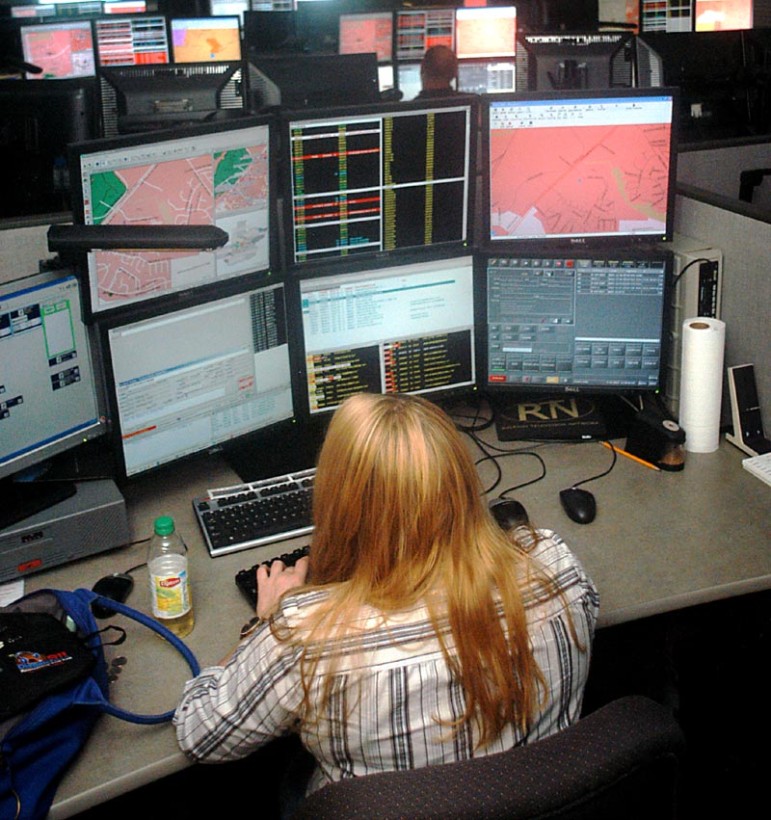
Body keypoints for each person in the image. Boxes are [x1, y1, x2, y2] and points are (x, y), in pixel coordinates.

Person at [174, 393, 599, 805]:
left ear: (337, 504)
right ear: (462, 485)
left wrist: (266, 622)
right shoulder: (556, 565)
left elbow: (201, 734)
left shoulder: (306, 638)